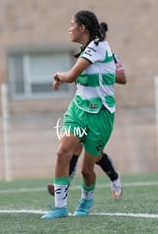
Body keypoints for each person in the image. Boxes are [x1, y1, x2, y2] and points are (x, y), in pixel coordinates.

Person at [42, 10, 117, 219]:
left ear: (82, 28)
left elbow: (71, 75)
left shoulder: (98, 47)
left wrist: (58, 75)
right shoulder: (87, 49)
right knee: (62, 153)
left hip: (101, 115)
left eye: (71, 25)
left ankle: (85, 202)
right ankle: (60, 207)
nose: (69, 29)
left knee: (86, 170)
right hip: (78, 111)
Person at [47, 50, 126, 200]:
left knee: (95, 157)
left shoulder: (109, 56)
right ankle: (64, 186)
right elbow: (74, 75)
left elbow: (123, 77)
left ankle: (114, 177)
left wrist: (102, 72)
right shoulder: (85, 55)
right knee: (72, 149)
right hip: (82, 109)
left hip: (100, 112)